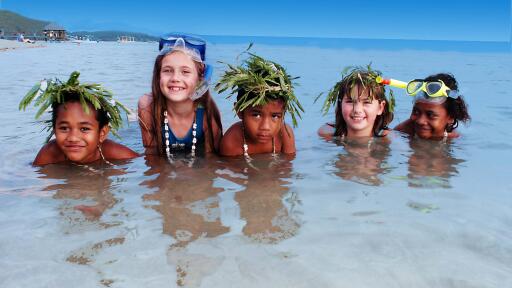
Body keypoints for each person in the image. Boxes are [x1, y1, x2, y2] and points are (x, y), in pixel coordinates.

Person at [19, 71, 138, 166]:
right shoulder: (49, 153)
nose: (73, 138)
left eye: (84, 128)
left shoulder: (118, 154)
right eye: (64, 128)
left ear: (102, 133)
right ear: (54, 130)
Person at [138, 34, 222, 159]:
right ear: (158, 75)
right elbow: (152, 158)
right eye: (167, 70)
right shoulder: (147, 107)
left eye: (185, 72)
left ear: (201, 78)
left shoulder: (207, 115)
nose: (175, 78)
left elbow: (212, 162)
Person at [216, 53, 303, 156]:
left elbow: (287, 168)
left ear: (283, 114)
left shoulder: (285, 135)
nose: (265, 127)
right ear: (239, 110)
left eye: (275, 116)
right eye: (256, 115)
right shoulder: (231, 142)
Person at [317, 65, 394, 140]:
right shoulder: (327, 134)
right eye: (350, 101)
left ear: (380, 108)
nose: (357, 110)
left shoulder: (388, 138)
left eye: (367, 102)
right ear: (340, 105)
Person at [394, 73, 470, 140]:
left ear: (451, 117)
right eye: (416, 112)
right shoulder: (403, 130)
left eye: (430, 115)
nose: (420, 121)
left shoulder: (455, 139)